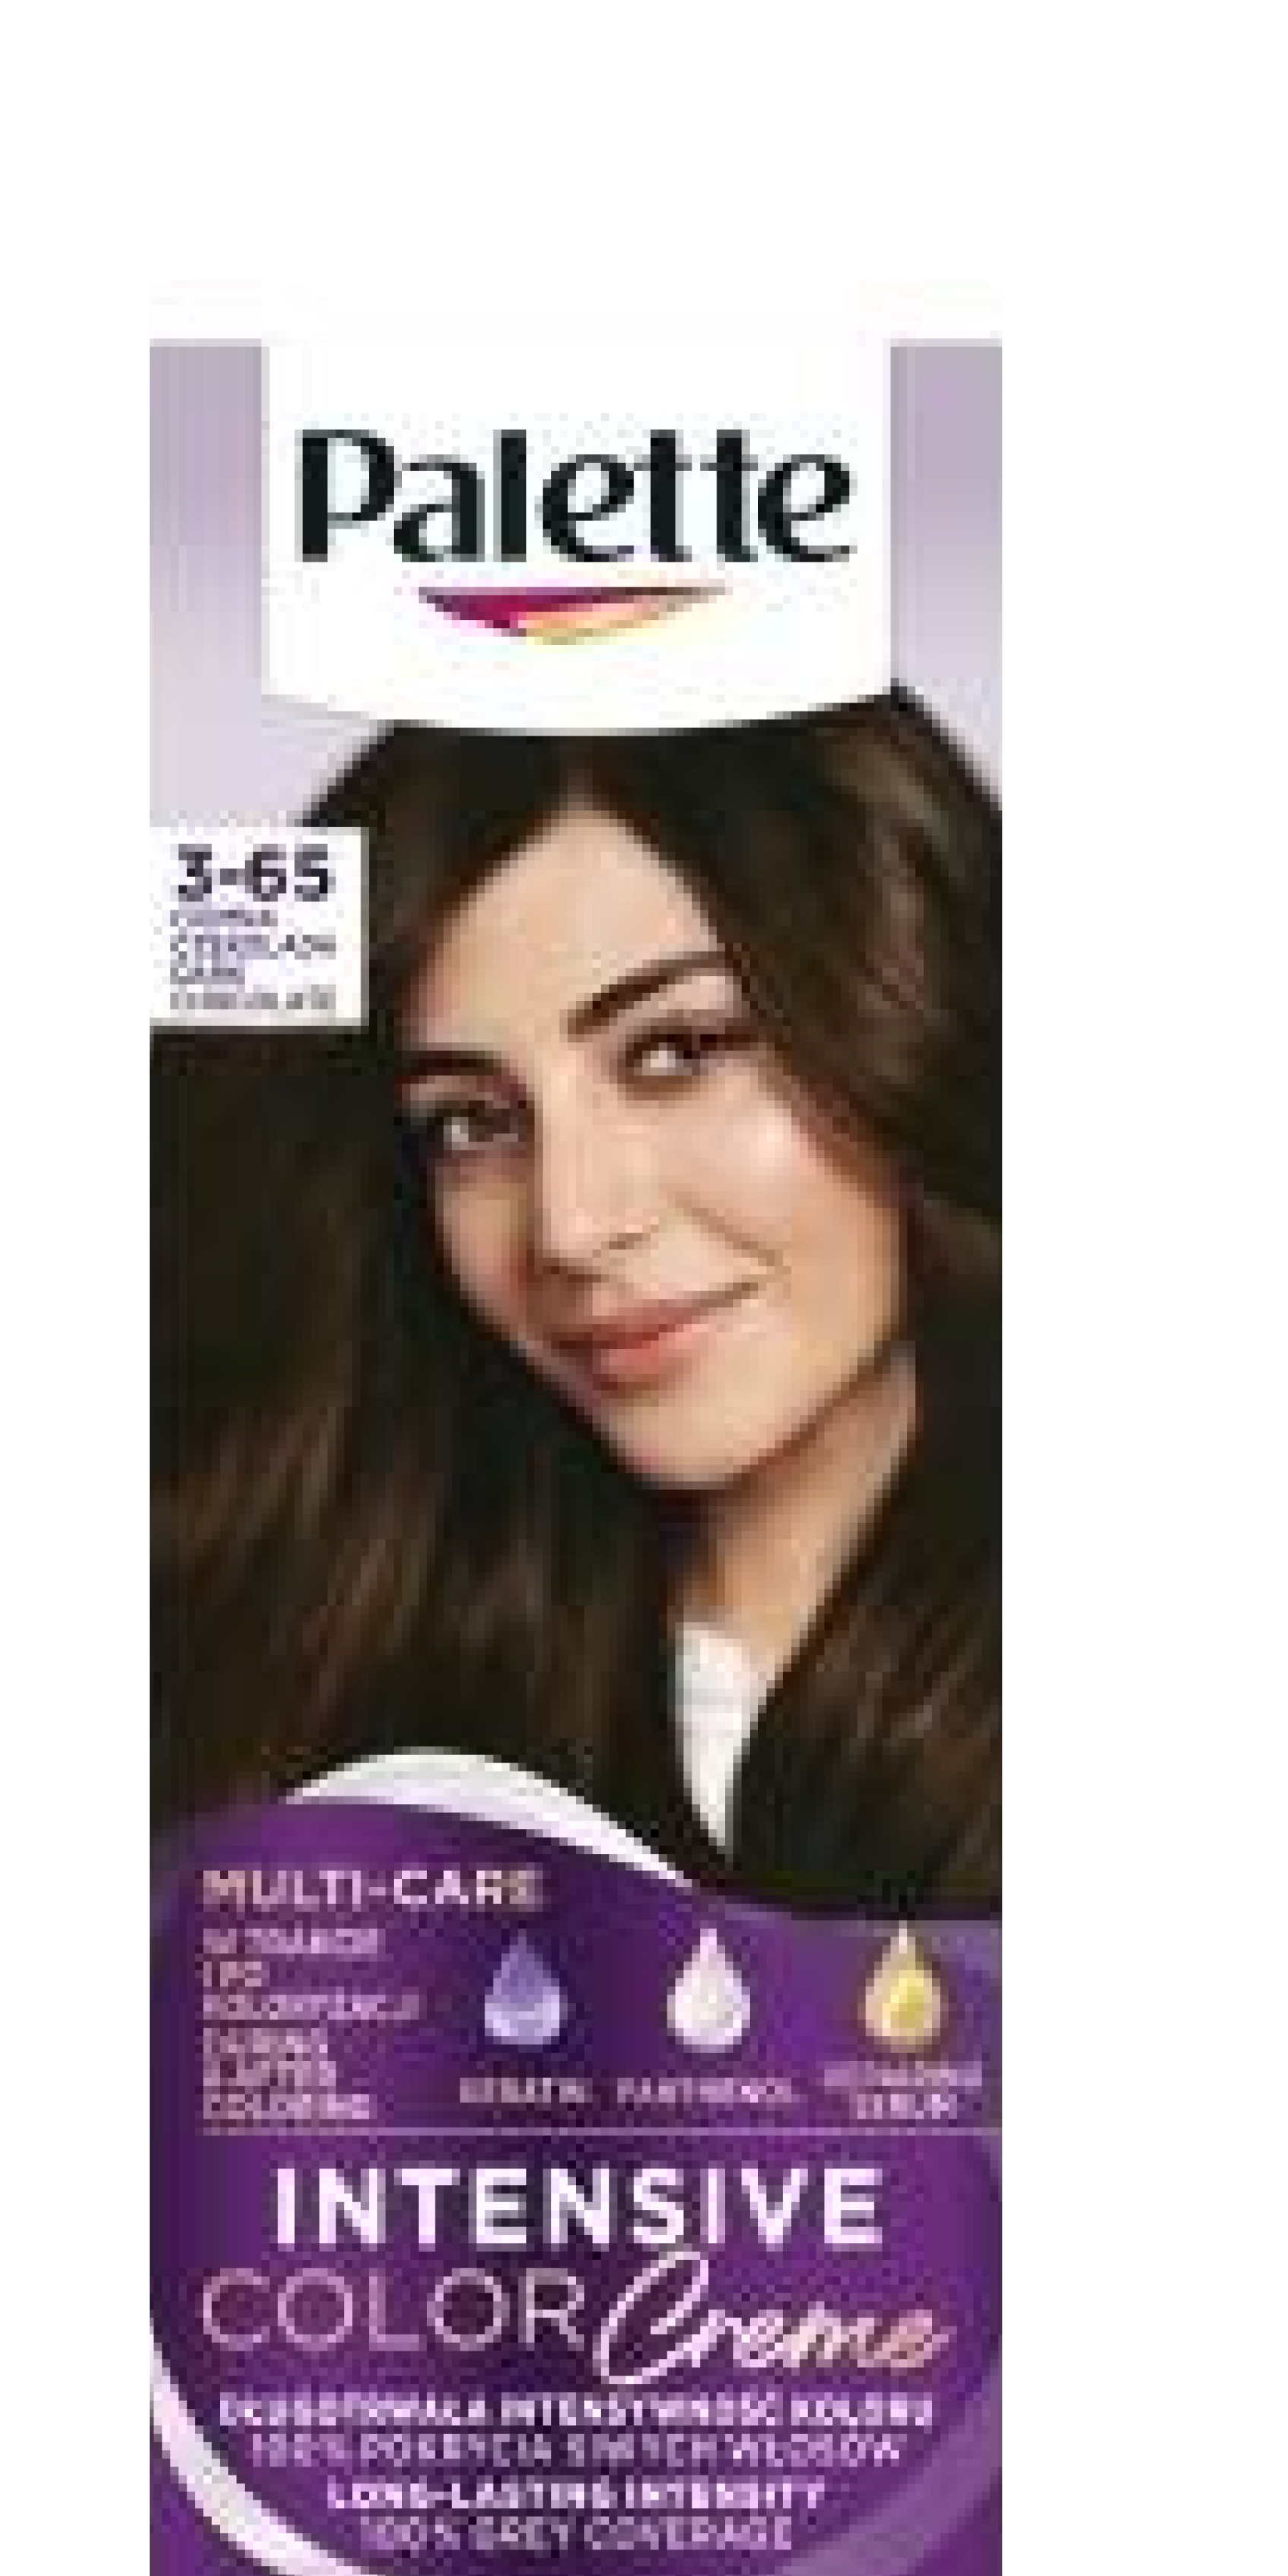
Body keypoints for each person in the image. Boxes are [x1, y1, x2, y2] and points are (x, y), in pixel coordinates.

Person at [155, 690, 998, 1915]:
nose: (571, 1225)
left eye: (677, 1051)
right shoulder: (315, 1693)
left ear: (910, 1011)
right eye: (472, 1122)